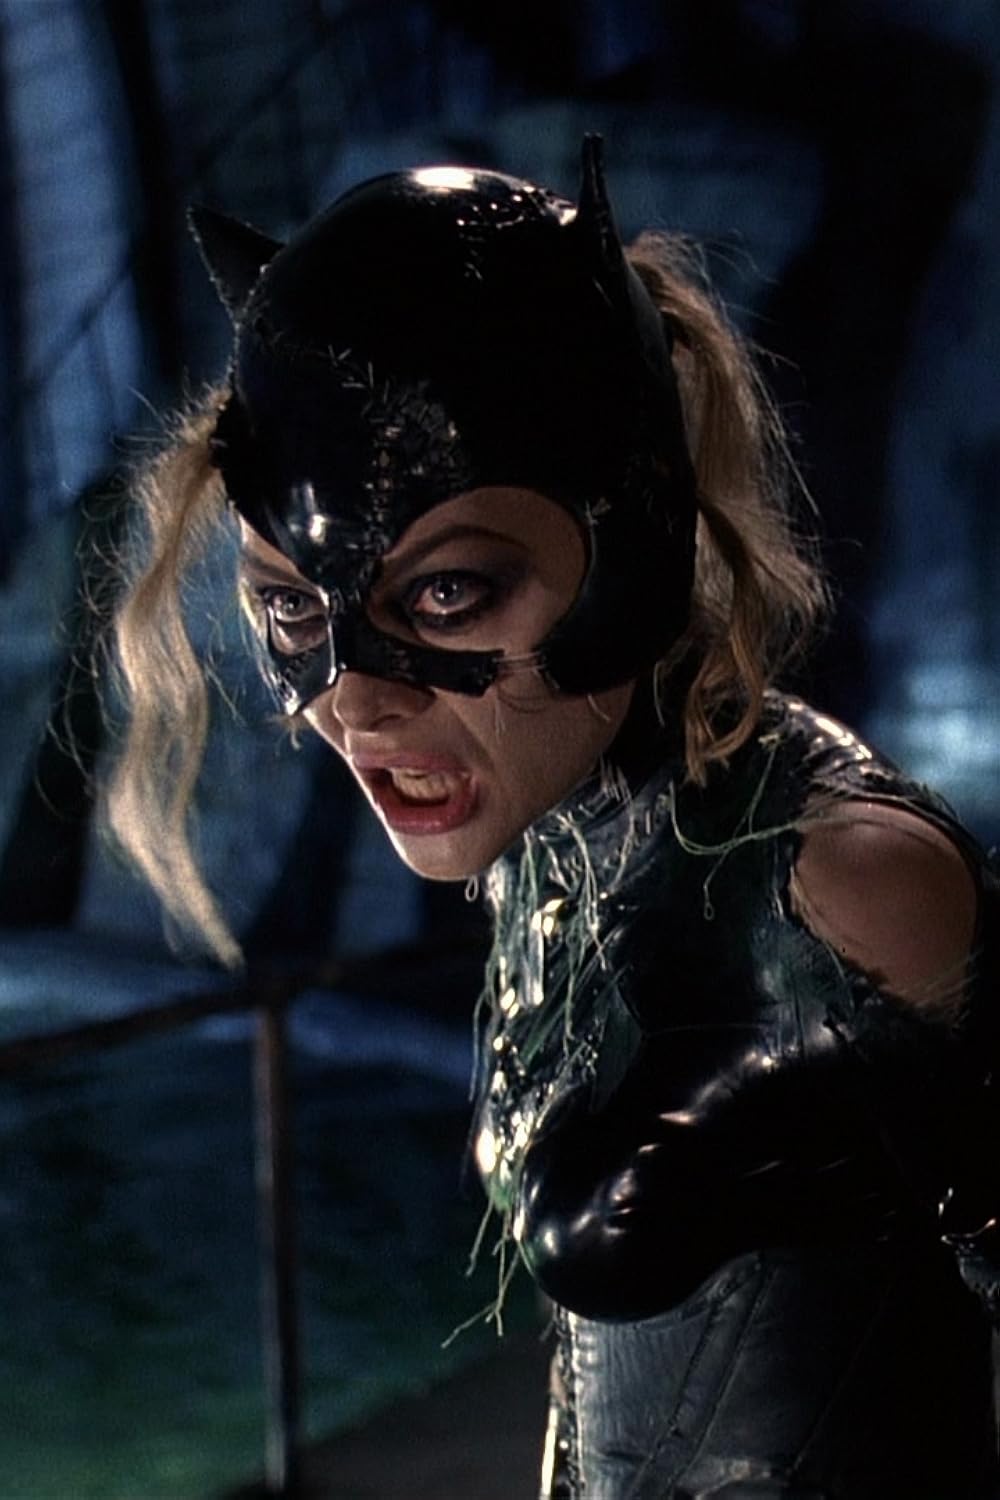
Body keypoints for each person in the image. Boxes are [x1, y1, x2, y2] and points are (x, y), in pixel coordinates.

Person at [106, 138, 999, 1497]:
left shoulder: (850, 891)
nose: (356, 703)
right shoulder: (553, 827)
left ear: (628, 541)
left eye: (447, 595)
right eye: (291, 607)